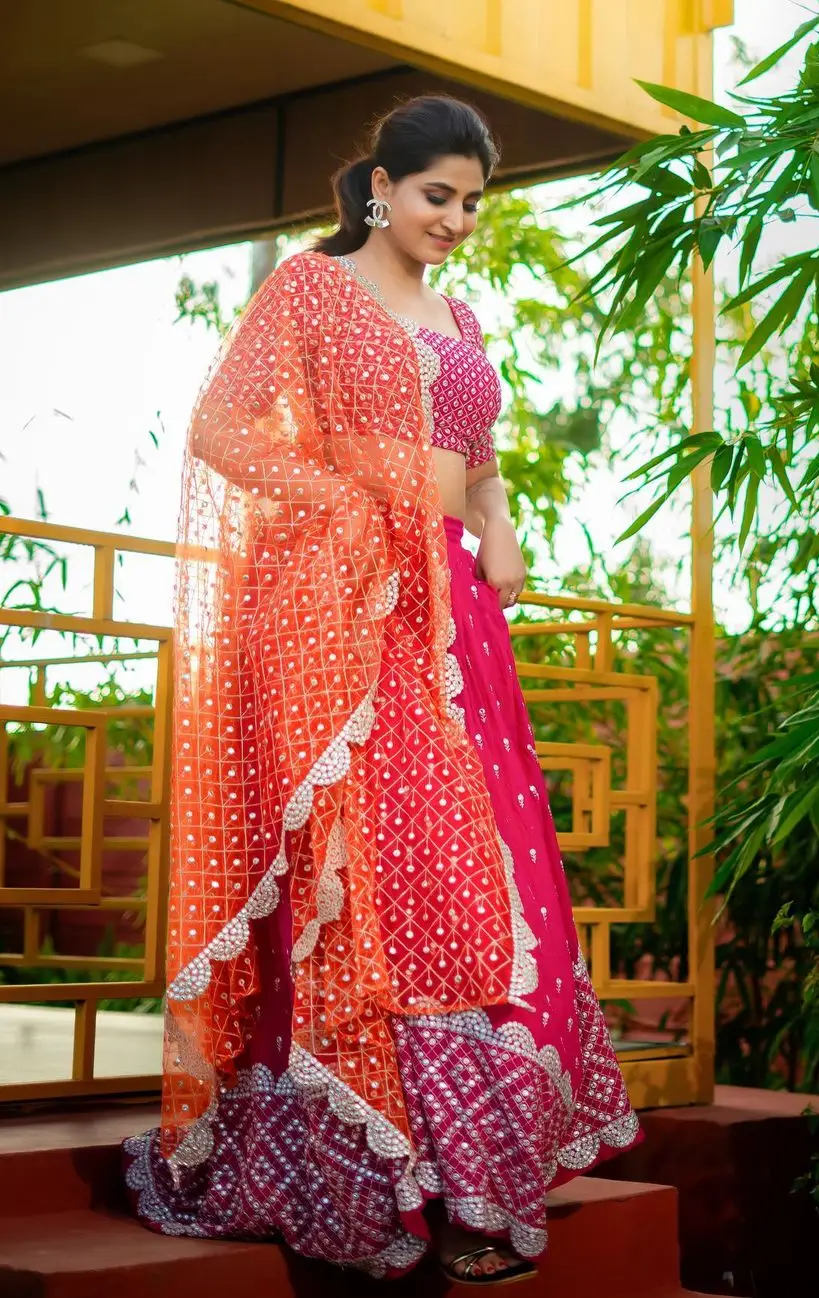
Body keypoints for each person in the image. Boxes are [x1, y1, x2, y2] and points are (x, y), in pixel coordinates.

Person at [123, 94, 642, 1285]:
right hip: (346, 618)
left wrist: (497, 528)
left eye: (471, 201)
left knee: (474, 874)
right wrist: (350, 507)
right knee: (385, 872)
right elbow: (222, 430)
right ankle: (375, 1172)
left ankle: (464, 1175)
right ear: (381, 189)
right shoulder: (312, 291)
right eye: (436, 195)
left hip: (451, 617)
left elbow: (484, 461)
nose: (456, 219)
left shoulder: (460, 315)